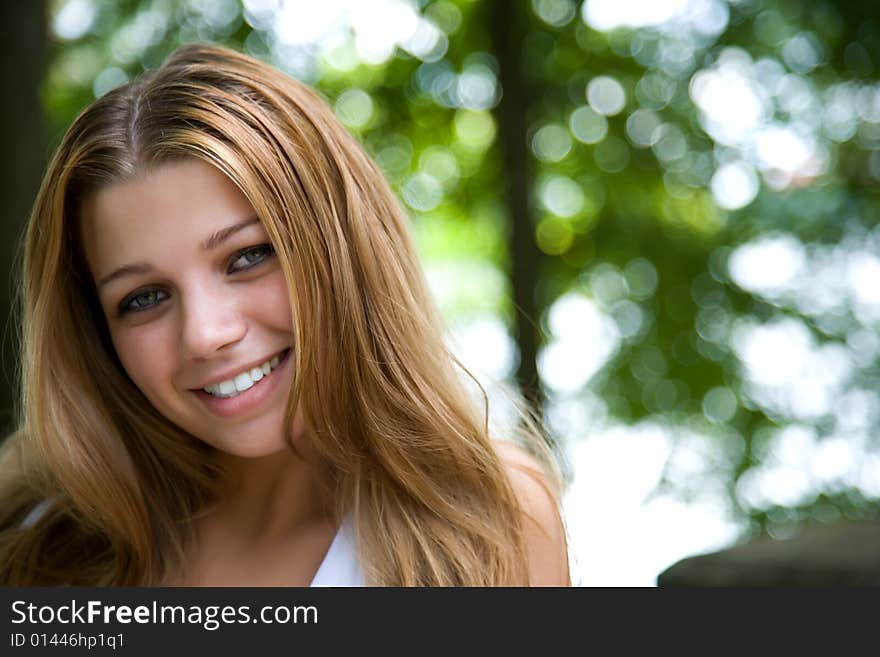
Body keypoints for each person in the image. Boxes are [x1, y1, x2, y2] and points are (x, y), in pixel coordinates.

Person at [0, 43, 570, 586]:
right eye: (144, 298)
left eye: (248, 257)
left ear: (341, 252)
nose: (206, 334)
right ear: (97, 333)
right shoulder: (35, 545)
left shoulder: (481, 525)